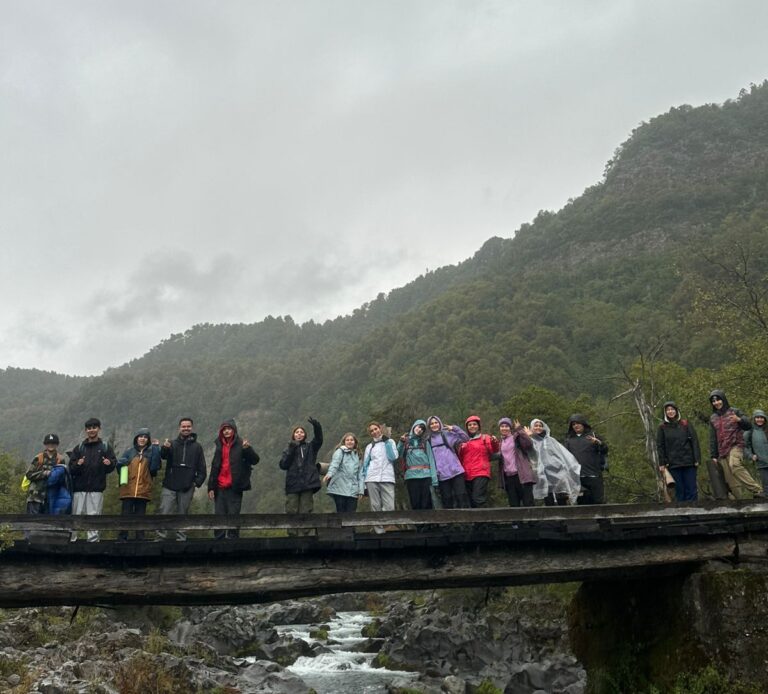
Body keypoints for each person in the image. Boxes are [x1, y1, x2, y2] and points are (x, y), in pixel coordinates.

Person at [157, 417, 207, 541]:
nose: (186, 428)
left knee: (183, 514)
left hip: (187, 486)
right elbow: (163, 456)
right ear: (179, 428)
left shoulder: (197, 447)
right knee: (164, 511)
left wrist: (196, 483)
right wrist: (165, 448)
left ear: (192, 428)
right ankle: (160, 537)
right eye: (183, 426)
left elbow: (202, 468)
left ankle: (181, 538)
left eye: (188, 426)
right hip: (170, 484)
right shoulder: (172, 444)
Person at [207, 419, 259, 539]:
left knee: (233, 515)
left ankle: (233, 541)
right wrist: (211, 487)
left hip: (235, 487)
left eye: (228, 429)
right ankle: (218, 541)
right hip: (219, 487)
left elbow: (255, 460)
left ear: (234, 430)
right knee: (219, 516)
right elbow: (215, 467)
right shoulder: (219, 445)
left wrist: (248, 449)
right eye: (224, 429)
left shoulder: (241, 444)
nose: (226, 431)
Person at [68, 418, 117, 542]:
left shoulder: (105, 447)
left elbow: (112, 465)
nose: (92, 430)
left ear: (99, 429)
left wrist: (109, 463)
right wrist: (78, 464)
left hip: (96, 488)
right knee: (76, 515)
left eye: (94, 427)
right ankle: (72, 539)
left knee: (94, 516)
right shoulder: (79, 448)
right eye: (89, 428)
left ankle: (93, 542)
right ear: (86, 430)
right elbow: (71, 468)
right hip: (79, 488)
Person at [708, 390, 762, 499]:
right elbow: (713, 437)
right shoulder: (713, 418)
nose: (716, 403)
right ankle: (739, 505)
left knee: (735, 465)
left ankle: (758, 490)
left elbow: (748, 425)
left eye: (718, 400)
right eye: (713, 401)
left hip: (736, 445)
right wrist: (714, 455)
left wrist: (739, 420)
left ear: (723, 399)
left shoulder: (734, 411)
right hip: (722, 451)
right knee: (732, 483)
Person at [279, 417, 323, 536]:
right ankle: (292, 534)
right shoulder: (288, 449)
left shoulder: (310, 447)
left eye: (301, 432)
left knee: (306, 509)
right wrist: (292, 449)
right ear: (293, 435)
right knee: (291, 510)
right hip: (293, 484)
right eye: (297, 432)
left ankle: (304, 534)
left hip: (308, 483)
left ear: (305, 435)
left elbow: (319, 440)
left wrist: (317, 427)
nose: (299, 434)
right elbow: (283, 464)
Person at [117, 428, 162, 540]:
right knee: (125, 516)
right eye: (140, 436)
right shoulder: (129, 452)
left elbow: (155, 467)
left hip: (143, 489)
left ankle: (140, 537)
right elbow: (120, 470)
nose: (142, 439)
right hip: (128, 489)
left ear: (148, 440)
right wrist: (119, 464)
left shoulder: (151, 453)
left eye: (145, 437)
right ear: (136, 438)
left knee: (141, 516)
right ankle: (123, 537)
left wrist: (156, 449)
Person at [528, 419, 581, 505]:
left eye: (540, 426)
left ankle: (563, 516)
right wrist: (527, 437)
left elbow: (562, 453)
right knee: (548, 497)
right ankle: (551, 517)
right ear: (532, 427)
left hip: (557, 471)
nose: (538, 427)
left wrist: (566, 465)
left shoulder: (550, 440)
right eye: (536, 425)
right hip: (542, 473)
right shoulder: (530, 440)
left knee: (561, 495)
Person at [656, 402, 701, 502]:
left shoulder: (685, 424)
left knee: (692, 489)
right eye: (668, 410)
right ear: (665, 412)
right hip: (673, 464)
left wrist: (697, 458)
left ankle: (694, 514)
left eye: (672, 409)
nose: (670, 411)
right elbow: (660, 446)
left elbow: (694, 441)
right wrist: (662, 463)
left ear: (676, 410)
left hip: (689, 462)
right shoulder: (662, 427)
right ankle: (683, 516)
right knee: (680, 491)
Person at [361, 422, 399, 533]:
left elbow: (393, 457)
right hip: (371, 478)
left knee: (390, 506)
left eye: (375, 429)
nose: (374, 432)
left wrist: (386, 441)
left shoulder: (390, 441)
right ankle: (379, 531)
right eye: (371, 431)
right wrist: (364, 483)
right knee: (375, 505)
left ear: (380, 429)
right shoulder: (370, 446)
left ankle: (380, 522)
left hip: (387, 477)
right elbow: (365, 465)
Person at [426, 416, 470, 509]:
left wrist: (455, 428)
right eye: (432, 424)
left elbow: (466, 439)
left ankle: (465, 522)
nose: (434, 425)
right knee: (447, 500)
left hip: (456, 471)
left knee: (461, 497)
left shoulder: (447, 434)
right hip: (442, 475)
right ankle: (451, 523)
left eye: (436, 422)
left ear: (440, 423)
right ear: (429, 426)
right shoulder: (428, 440)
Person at [564, 414, 608, 505]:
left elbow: (605, 450)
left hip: (594, 475)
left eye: (578, 423)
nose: (576, 426)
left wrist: (598, 442)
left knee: (598, 502)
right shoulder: (569, 440)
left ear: (583, 424)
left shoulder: (593, 436)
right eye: (573, 424)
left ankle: (602, 520)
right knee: (582, 503)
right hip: (578, 478)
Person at [458, 415, 498, 508]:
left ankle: (486, 521)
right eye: (470, 425)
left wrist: (494, 442)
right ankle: (478, 522)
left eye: (474, 424)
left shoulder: (485, 438)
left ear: (478, 426)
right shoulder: (464, 441)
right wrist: (460, 448)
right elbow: (460, 458)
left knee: (478, 498)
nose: (472, 426)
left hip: (481, 472)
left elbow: (494, 450)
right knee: (471, 500)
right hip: (467, 474)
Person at [398, 419, 439, 511]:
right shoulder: (405, 442)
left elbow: (431, 460)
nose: (419, 429)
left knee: (427, 502)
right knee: (415, 502)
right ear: (414, 426)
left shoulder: (425, 442)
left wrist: (434, 479)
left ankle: (429, 524)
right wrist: (401, 442)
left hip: (425, 475)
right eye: (418, 426)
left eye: (423, 429)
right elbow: (398, 454)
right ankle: (419, 525)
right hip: (411, 476)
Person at [25, 434, 69, 515]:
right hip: (36, 496)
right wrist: (43, 473)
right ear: (45, 444)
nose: (51, 445)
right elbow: (29, 474)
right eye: (48, 443)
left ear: (57, 444)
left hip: (52, 497)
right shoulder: (38, 458)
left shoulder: (60, 459)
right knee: (32, 523)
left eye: (53, 443)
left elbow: (64, 477)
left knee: (49, 523)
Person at [497, 417, 537, 507]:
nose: (504, 428)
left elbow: (528, 444)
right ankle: (517, 522)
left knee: (528, 502)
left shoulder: (516, 437)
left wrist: (520, 429)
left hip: (522, 475)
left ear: (510, 428)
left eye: (506, 426)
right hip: (509, 477)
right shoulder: (500, 442)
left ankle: (532, 521)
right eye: (502, 426)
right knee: (514, 504)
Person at [324, 432, 364, 513]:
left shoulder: (358, 455)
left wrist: (361, 490)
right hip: (339, 488)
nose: (349, 441)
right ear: (344, 442)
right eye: (347, 440)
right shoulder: (340, 452)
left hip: (353, 489)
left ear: (355, 442)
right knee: (341, 513)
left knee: (351, 513)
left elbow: (360, 474)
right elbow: (335, 464)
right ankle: (341, 526)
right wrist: (329, 474)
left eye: (352, 440)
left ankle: (350, 526)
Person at [745, 410, 768, 496]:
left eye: (762, 417)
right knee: (766, 486)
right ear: (754, 419)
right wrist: (751, 455)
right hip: (761, 462)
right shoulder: (749, 432)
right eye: (757, 417)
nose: (760, 419)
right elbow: (745, 446)